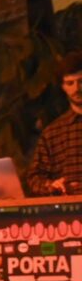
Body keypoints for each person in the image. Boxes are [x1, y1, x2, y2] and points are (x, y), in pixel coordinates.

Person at [27, 51, 82, 196]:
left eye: (81, 81)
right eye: (70, 83)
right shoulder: (53, 133)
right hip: (68, 206)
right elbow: (34, 178)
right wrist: (52, 185)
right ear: (63, 87)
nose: (77, 88)